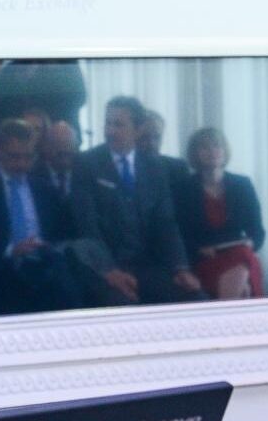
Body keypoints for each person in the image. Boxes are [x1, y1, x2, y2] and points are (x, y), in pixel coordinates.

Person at [77, 96, 205, 304]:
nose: (110, 131)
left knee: (196, 299)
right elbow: (87, 226)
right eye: (108, 123)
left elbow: (166, 224)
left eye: (118, 125)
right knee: (124, 308)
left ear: (138, 129)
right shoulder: (86, 163)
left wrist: (181, 268)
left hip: (146, 266)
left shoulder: (154, 166)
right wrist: (109, 270)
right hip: (104, 269)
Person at [0, 120, 91, 313]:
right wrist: (11, 250)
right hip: (3, 266)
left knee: (68, 289)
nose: (21, 164)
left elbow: (63, 233)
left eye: (28, 157)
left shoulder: (45, 189)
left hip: (46, 263)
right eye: (15, 157)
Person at [174, 128, 266, 299]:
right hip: (207, 260)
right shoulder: (184, 188)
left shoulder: (242, 185)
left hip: (240, 253)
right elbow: (179, 234)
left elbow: (258, 232)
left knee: (243, 255)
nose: (212, 151)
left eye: (217, 146)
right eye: (205, 147)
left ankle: (227, 309)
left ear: (224, 150)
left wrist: (251, 243)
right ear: (195, 154)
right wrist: (199, 250)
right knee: (244, 287)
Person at [138, 110, 191, 186]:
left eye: (157, 137)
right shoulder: (124, 171)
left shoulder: (178, 169)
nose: (151, 143)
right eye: (144, 137)